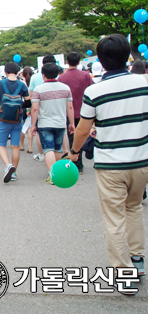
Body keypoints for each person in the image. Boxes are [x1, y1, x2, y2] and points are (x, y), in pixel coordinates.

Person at [69, 34, 147, 295]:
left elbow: (83, 129)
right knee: (134, 207)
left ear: (100, 61)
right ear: (128, 57)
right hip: (141, 161)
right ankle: (137, 258)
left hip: (111, 164)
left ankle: (124, 274)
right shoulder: (144, 82)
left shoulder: (96, 90)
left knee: (114, 219)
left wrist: (74, 152)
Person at [30, 63, 75, 184]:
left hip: (45, 123)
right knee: (57, 149)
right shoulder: (65, 88)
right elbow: (70, 107)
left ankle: (52, 174)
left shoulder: (39, 89)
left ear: (43, 75)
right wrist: (72, 123)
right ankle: (59, 173)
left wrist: (33, 125)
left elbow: (35, 109)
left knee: (48, 149)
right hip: (60, 123)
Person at [0, 62, 31, 183]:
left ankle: (8, 165)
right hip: (17, 119)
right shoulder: (22, 85)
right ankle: (14, 173)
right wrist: (18, 104)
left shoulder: (0, 83)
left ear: (6, 72)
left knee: (1, 145)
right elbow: (28, 103)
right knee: (15, 146)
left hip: (3, 118)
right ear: (18, 72)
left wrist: (2, 103)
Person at [58, 52, 94, 175]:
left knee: (73, 137)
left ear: (67, 62)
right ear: (79, 62)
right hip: (86, 110)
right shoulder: (86, 75)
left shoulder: (62, 77)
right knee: (86, 135)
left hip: (69, 112)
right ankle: (83, 158)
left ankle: (77, 164)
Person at [29, 55, 56, 161]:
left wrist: (31, 112)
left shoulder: (35, 77)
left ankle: (41, 154)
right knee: (59, 132)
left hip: (40, 109)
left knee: (40, 133)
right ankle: (64, 150)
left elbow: (30, 95)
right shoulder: (59, 76)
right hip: (57, 109)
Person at [19, 67, 34, 153]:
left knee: (23, 126)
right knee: (30, 127)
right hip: (31, 105)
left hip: (24, 105)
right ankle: (30, 146)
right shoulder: (33, 82)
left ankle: (22, 144)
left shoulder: (21, 83)